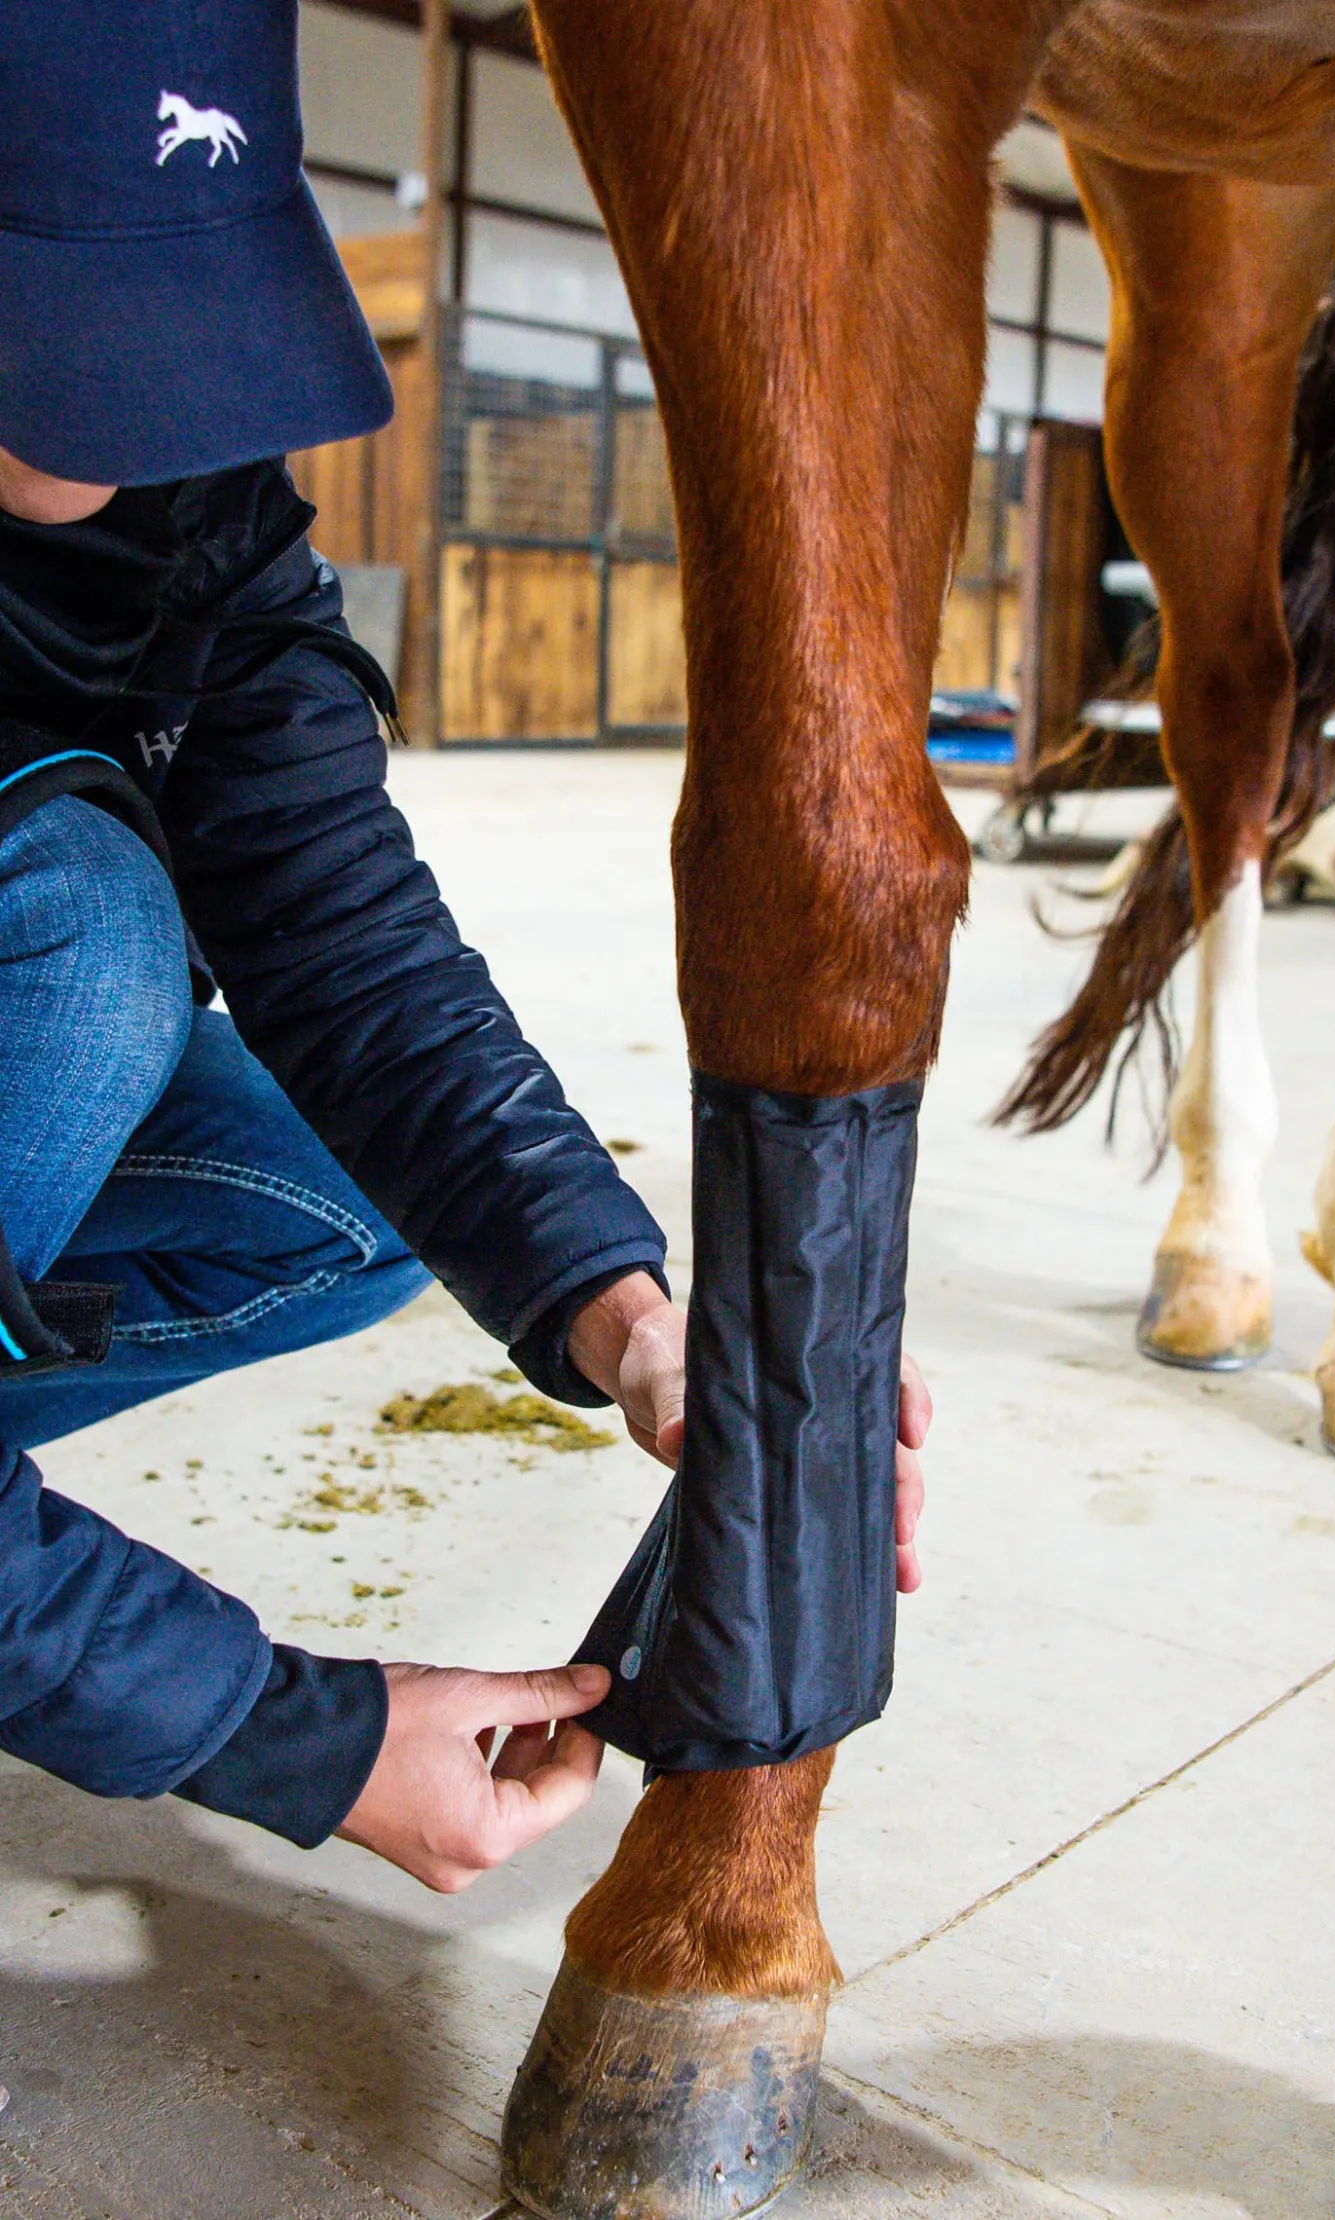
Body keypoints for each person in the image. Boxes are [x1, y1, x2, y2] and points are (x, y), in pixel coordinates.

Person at [0, 1, 929, 1894]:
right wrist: (286, 1728)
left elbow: (336, 920)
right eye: (90, 332)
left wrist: (623, 1308)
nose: (158, 405)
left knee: (334, 1190)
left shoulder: (183, 493)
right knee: (81, 942)